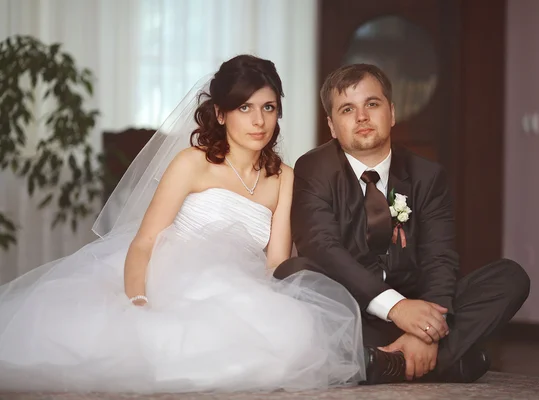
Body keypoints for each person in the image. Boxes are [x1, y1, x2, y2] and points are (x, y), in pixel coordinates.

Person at [0, 55, 365, 393]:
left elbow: (275, 264)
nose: (259, 121)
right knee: (155, 345)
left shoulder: (284, 177)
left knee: (292, 337)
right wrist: (137, 303)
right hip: (166, 278)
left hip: (240, 286)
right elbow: (143, 243)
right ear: (221, 115)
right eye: (245, 107)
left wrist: (262, 310)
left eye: (268, 108)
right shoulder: (193, 163)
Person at [274, 63, 531, 384]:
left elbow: (440, 258)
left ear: (391, 113)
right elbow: (321, 246)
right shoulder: (315, 167)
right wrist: (395, 308)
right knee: (293, 274)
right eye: (347, 109)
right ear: (332, 125)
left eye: (372, 104)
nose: (362, 117)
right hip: (352, 312)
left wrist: (425, 331)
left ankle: (386, 362)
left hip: (417, 308)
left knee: (510, 277)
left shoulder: (427, 175)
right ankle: (446, 363)